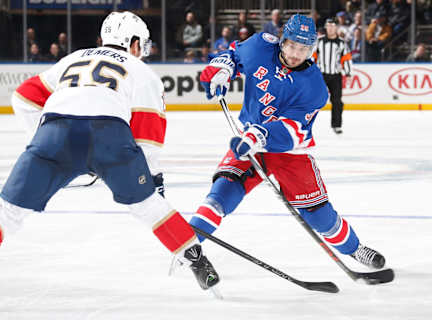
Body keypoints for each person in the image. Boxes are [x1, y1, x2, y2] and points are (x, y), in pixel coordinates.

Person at [1, 11, 219, 292]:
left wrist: (41, 140)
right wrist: (150, 180)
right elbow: (148, 138)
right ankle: (198, 263)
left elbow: (22, 98)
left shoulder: (73, 57)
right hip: (109, 136)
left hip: (53, 135)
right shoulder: (142, 71)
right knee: (149, 208)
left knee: (7, 212)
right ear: (133, 42)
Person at [193, 14, 386, 270]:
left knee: (319, 215)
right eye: (293, 46)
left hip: (288, 151)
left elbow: (293, 130)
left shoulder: (315, 87)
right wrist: (223, 69)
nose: (296, 54)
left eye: (304, 49)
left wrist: (259, 135)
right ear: (282, 41)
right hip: (248, 141)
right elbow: (234, 55)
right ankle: (186, 247)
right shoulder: (261, 45)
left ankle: (354, 248)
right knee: (222, 192)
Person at [316, 18, 352, 134]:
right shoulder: (319, 41)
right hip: (321, 75)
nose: (330, 28)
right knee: (312, 99)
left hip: (335, 75)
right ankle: (305, 123)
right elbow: (312, 57)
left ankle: (336, 125)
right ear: (326, 27)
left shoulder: (341, 43)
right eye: (328, 26)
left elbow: (346, 58)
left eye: (332, 26)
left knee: (337, 101)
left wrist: (348, 73)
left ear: (336, 27)